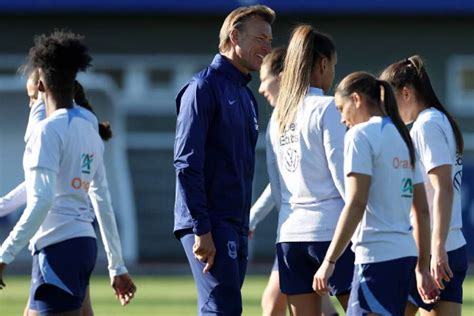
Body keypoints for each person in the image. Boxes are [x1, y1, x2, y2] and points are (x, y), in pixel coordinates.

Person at [0, 30, 136, 315]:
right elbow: (102, 199)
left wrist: (4, 254)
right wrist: (116, 265)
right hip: (81, 244)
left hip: (58, 249)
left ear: (39, 85)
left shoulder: (48, 131)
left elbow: (42, 200)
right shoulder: (88, 123)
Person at [173, 5, 275, 315]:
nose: (267, 48)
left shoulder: (246, 97)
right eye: (260, 38)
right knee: (222, 308)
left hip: (235, 223)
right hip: (209, 222)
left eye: (269, 41)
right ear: (234, 36)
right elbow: (186, 163)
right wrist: (201, 228)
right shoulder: (203, 88)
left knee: (225, 307)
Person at [313, 72, 440, 315]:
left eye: (341, 109)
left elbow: (356, 203)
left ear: (357, 99)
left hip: (376, 258)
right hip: (405, 257)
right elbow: (422, 211)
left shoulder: (359, 136)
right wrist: (422, 266)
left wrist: (329, 261)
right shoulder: (404, 137)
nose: (341, 119)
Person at [266, 24, 353, 315]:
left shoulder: (278, 115)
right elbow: (345, 180)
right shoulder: (329, 108)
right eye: (333, 66)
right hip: (332, 233)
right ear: (322, 64)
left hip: (290, 236)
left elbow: (277, 185)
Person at [251, 47, 338, 316]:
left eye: (266, 79)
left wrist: (253, 217)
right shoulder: (280, 120)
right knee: (278, 303)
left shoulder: (319, 109)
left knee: (275, 303)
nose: (262, 88)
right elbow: (282, 182)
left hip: (309, 231)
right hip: (299, 231)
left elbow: (281, 185)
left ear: (284, 75)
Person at [381, 56, 466, 316]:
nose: (388, 111)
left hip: (432, 249)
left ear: (405, 93)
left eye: (390, 102)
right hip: (448, 246)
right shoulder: (437, 120)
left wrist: (436, 250)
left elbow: (443, 188)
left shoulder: (427, 125)